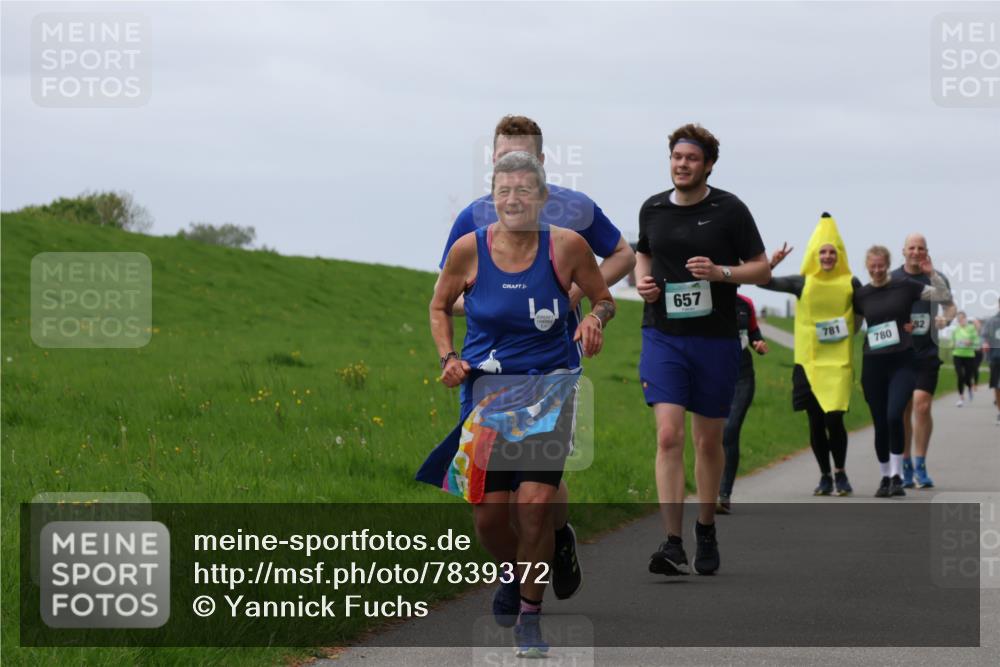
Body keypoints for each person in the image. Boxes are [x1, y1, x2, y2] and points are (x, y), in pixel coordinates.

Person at [420, 151, 615, 658]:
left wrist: (595, 319)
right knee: (489, 519)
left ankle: (531, 614)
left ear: (542, 198)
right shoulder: (468, 249)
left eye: (524, 191)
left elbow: (604, 298)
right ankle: (517, 571)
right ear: (492, 197)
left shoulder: (566, 247)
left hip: (550, 391)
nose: (513, 200)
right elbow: (439, 305)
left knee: (533, 509)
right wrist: (448, 356)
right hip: (486, 397)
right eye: (503, 191)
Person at [438, 115, 636, 601]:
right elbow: (450, 293)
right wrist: (499, 305)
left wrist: (570, 296)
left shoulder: (575, 211)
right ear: (492, 161)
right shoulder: (471, 220)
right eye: (503, 158)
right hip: (492, 368)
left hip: (553, 360)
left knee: (537, 492)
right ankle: (525, 562)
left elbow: (623, 258)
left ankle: (550, 548)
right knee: (496, 503)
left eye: (522, 158)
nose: (513, 171)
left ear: (543, 163)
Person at [636, 123, 770, 576]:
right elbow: (644, 252)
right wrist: (642, 281)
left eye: (692, 159)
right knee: (669, 434)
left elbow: (762, 269)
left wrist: (720, 273)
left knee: (707, 439)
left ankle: (706, 525)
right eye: (677, 157)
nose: (682, 164)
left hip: (714, 339)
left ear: (708, 164)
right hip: (663, 334)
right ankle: (672, 541)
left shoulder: (730, 210)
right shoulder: (652, 208)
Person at [760, 213, 861, 497]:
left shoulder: (851, 283)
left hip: (837, 364)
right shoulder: (801, 282)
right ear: (814, 255)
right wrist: (771, 264)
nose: (827, 257)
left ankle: (840, 472)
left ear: (839, 255)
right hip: (808, 362)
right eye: (823, 252)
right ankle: (824, 476)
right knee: (815, 421)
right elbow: (764, 284)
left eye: (832, 252)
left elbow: (870, 306)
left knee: (834, 420)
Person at [853, 246, 951, 498]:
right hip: (873, 364)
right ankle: (885, 477)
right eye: (872, 266)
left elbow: (942, 295)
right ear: (867, 266)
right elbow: (852, 328)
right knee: (880, 423)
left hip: (902, 363)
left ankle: (898, 475)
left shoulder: (905, 285)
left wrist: (932, 274)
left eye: (881, 265)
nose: (877, 270)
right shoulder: (861, 295)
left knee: (894, 415)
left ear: (888, 264)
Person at [892, 234, 955, 489]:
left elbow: (950, 307)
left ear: (926, 251)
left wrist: (945, 320)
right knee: (905, 409)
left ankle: (921, 463)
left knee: (921, 406)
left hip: (927, 353)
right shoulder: (893, 279)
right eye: (912, 248)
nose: (916, 252)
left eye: (921, 248)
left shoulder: (936, 278)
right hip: (900, 354)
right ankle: (905, 464)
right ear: (903, 251)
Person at [717, 292, 768, 513]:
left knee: (730, 430)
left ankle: (724, 493)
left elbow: (754, 332)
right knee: (713, 436)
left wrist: (759, 343)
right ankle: (713, 491)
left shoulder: (745, 303)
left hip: (742, 376)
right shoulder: (707, 297)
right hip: (713, 376)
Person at [950, 312, 981, 407]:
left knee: (967, 377)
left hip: (969, 355)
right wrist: (953, 344)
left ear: (965, 319)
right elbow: (951, 343)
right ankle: (961, 397)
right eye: (958, 319)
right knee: (960, 375)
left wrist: (970, 342)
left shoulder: (971, 329)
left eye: (962, 319)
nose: (960, 321)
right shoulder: (955, 330)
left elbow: (977, 342)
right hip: (957, 355)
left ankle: (970, 387)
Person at [981, 298, 1000, 426]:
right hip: (996, 357)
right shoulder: (992, 321)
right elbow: (983, 336)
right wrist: (985, 343)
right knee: (997, 386)